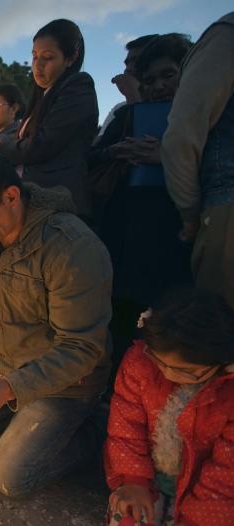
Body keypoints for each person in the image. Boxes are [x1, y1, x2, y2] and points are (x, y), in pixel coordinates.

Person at [0, 149, 112, 497]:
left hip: (64, 384)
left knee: (8, 475)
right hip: (2, 366)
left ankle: (93, 430)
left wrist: (8, 388)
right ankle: (20, 420)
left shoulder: (70, 247)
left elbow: (81, 348)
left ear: (11, 196)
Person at [91, 33, 193, 372]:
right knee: (122, 315)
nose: (159, 86)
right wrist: (115, 151)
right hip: (129, 230)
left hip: (178, 231)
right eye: (149, 80)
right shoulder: (128, 116)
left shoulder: (207, 117)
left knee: (174, 323)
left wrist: (166, 157)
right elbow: (91, 156)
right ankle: (120, 393)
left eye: (168, 75)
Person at [104, 290, 234, 526]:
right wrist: (134, 481)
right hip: (145, 475)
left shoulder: (229, 393)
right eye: (161, 362)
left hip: (207, 493)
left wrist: (196, 518)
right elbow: (125, 428)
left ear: (222, 363)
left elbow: (226, 472)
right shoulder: (140, 362)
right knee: (127, 517)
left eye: (186, 371)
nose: (168, 374)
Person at [0, 19, 99, 219]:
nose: (38, 65)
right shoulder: (42, 97)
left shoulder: (78, 87)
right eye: (35, 56)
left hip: (59, 201)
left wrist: (1, 145)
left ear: (71, 57)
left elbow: (43, 145)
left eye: (48, 57)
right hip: (33, 201)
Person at [162, 12, 234, 309]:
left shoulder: (226, 36)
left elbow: (182, 134)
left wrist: (190, 214)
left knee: (218, 337)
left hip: (226, 210)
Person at [96, 34, 160, 140]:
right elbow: (99, 145)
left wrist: (134, 96)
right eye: (127, 63)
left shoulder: (176, 107)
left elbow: (144, 144)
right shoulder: (119, 108)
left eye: (136, 61)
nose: (128, 69)